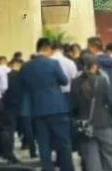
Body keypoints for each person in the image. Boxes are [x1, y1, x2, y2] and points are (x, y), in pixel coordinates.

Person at [18, 37, 73, 171]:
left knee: (43, 144)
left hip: (37, 109)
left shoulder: (26, 66)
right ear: (47, 49)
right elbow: (64, 81)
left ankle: (47, 168)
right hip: (56, 107)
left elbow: (22, 86)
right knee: (63, 142)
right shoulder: (53, 63)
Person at [70, 53, 112, 171]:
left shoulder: (75, 82)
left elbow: (73, 106)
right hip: (103, 123)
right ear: (94, 66)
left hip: (85, 125)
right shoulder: (102, 80)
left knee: (91, 157)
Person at [0, 58, 23, 164]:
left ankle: (5, 152)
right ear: (18, 64)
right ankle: (10, 154)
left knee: (7, 130)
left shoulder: (6, 76)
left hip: (5, 106)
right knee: (11, 131)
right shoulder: (21, 77)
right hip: (17, 107)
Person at [52, 39, 79, 106]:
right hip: (67, 94)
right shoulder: (70, 62)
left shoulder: (47, 61)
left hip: (51, 95)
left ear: (51, 49)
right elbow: (75, 78)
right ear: (62, 50)